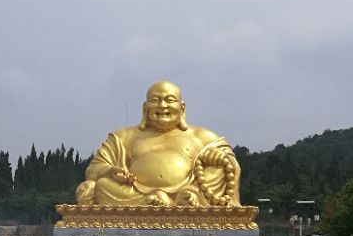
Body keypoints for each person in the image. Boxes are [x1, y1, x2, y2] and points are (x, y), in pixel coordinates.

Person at [74, 81, 242, 208]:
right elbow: (93, 170)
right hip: (134, 194)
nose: (162, 106)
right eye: (155, 100)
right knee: (101, 186)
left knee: (219, 171)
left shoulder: (203, 136)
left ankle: (185, 198)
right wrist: (110, 170)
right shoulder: (123, 136)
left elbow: (231, 166)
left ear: (182, 108)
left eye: (169, 100)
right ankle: (154, 202)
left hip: (189, 191)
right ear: (145, 108)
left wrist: (217, 158)